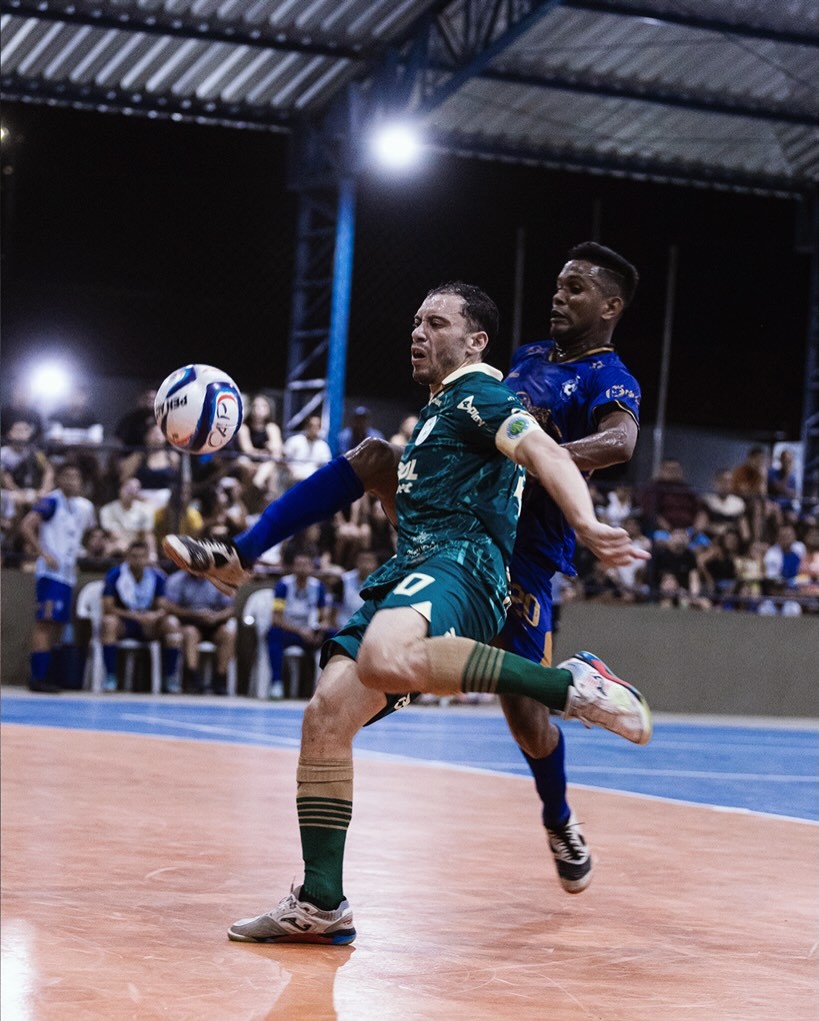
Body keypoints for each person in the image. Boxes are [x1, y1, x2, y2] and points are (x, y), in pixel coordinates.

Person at [166, 280, 651, 943]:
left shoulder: (485, 393)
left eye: (436, 323)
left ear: (475, 340)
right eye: (415, 321)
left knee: (412, 668)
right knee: (326, 715)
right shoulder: (446, 406)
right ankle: (321, 901)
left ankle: (574, 687)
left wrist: (587, 521)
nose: (417, 332)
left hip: (467, 566)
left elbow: (544, 449)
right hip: (415, 565)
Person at [18, 462, 97, 692]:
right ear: (59, 479)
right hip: (51, 574)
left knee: (58, 626)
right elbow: (26, 526)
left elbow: (86, 534)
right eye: (67, 476)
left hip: (67, 574)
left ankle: (49, 674)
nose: (72, 481)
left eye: (76, 476)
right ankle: (37, 677)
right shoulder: (51, 501)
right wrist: (43, 553)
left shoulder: (83, 507)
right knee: (46, 621)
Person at [100, 539, 182, 693]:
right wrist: (134, 616)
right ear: (127, 557)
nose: (138, 560)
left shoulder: (157, 577)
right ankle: (110, 676)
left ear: (147, 558)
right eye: (134, 556)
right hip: (125, 623)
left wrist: (154, 616)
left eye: (142, 557)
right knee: (108, 622)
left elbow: (164, 607)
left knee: (172, 624)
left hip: (149, 625)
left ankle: (169, 678)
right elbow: (108, 608)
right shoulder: (115, 575)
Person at [162, 561, 236, 695]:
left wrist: (217, 616)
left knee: (228, 634)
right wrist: (194, 614)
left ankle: (220, 679)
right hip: (189, 622)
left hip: (214, 623)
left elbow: (230, 609)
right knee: (191, 633)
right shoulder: (176, 580)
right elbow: (169, 607)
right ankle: (193, 677)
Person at [267, 550, 333, 699]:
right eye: (298, 564)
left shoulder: (318, 587)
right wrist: (300, 631)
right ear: (293, 567)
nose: (302, 568)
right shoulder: (283, 585)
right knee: (273, 633)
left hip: (311, 632)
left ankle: (329, 686)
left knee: (335, 636)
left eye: (306, 564)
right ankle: (276, 683)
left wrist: (321, 631)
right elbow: (276, 618)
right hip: (290, 631)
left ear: (312, 567)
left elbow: (324, 618)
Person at [99, 478, 158, 559]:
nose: (131, 492)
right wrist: (128, 548)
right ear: (120, 489)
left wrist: (152, 554)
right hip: (116, 545)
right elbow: (112, 534)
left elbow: (148, 534)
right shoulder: (107, 510)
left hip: (138, 547)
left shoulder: (145, 510)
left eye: (136, 489)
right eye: (128, 488)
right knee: (113, 547)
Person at [282, 415, 332, 483]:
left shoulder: (323, 446)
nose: (314, 429)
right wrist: (291, 470)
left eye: (317, 426)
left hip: (313, 478)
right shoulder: (295, 440)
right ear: (307, 426)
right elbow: (284, 458)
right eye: (311, 426)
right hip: (293, 476)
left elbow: (326, 465)